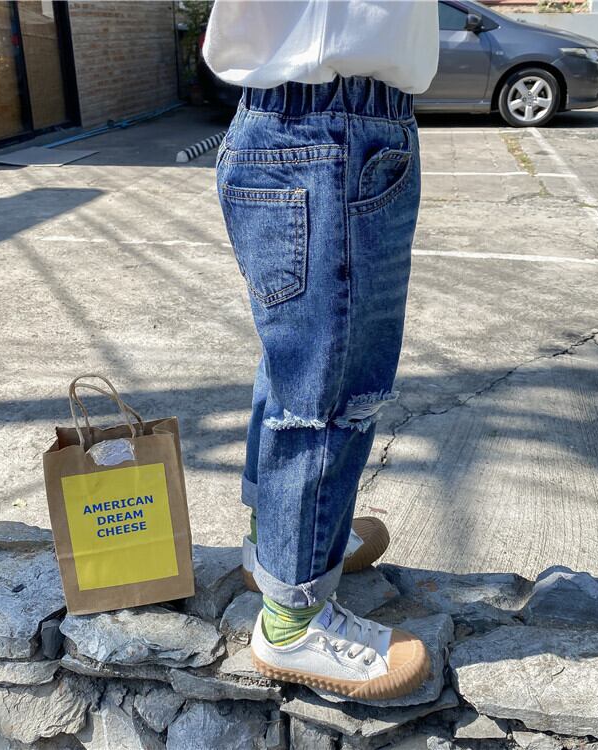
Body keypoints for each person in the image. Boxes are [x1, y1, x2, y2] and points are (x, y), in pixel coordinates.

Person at [203, 0, 440, 699]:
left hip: (310, 123)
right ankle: (293, 619)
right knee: (330, 384)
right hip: (333, 129)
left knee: (296, 367)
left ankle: (277, 548)